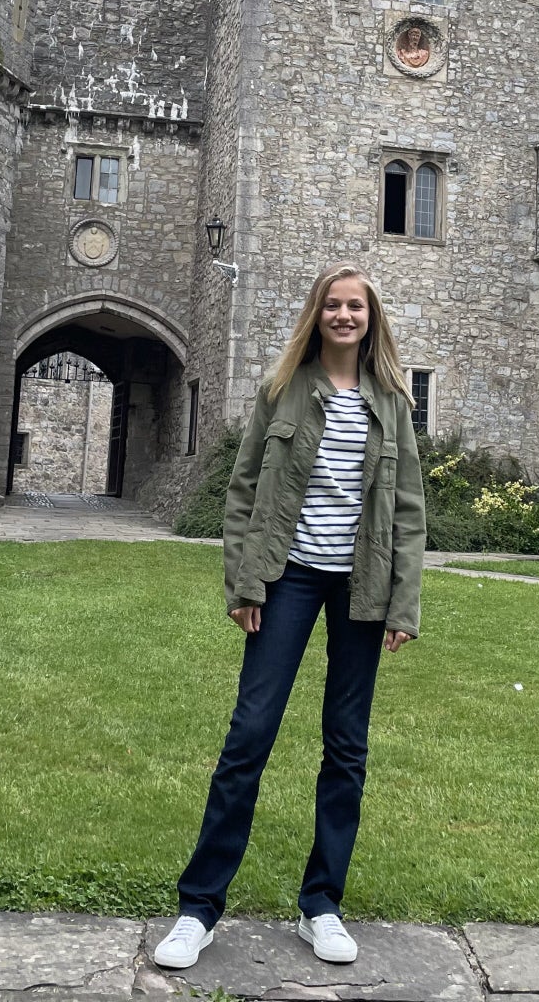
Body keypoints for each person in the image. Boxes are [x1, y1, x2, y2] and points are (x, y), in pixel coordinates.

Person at [153, 262, 426, 970]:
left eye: (355, 307)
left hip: (361, 587)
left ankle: (322, 905)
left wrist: (404, 603)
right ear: (318, 314)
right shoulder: (282, 392)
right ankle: (198, 909)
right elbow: (243, 492)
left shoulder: (392, 399)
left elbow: (408, 512)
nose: (343, 316)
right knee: (250, 736)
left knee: (347, 746)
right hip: (288, 578)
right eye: (333, 306)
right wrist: (245, 584)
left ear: (371, 319)